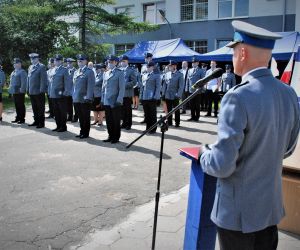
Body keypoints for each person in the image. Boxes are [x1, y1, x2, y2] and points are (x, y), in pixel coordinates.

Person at [199, 20, 300, 250]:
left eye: (233, 50)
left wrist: (205, 154)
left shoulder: (237, 97)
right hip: (270, 210)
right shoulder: (288, 93)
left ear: (242, 52)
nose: (233, 56)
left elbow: (222, 166)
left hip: (238, 216)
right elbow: (288, 148)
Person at [102, 55, 125, 143]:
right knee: (109, 120)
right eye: (108, 62)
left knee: (116, 120)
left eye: (111, 62)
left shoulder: (120, 73)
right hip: (107, 101)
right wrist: (102, 99)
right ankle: (110, 135)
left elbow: (121, 88)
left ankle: (116, 137)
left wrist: (119, 100)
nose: (109, 64)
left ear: (116, 62)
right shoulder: (106, 73)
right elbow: (103, 88)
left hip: (115, 101)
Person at [72, 54, 95, 139]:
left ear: (86, 61)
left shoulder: (89, 72)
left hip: (85, 99)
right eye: (78, 61)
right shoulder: (76, 71)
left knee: (85, 117)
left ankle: (86, 133)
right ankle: (81, 131)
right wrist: (73, 96)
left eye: (81, 60)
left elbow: (91, 86)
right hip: (77, 98)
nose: (79, 62)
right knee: (80, 117)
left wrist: (88, 97)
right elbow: (74, 86)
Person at [49, 54, 69, 132]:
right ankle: (58, 126)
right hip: (53, 94)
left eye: (58, 60)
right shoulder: (53, 70)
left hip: (61, 94)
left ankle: (63, 126)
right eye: (55, 60)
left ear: (61, 61)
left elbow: (67, 83)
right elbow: (51, 82)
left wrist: (65, 92)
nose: (56, 62)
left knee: (62, 111)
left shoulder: (64, 70)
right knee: (56, 111)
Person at [27, 53, 47, 128]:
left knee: (40, 108)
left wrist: (41, 90)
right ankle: (36, 121)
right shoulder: (30, 67)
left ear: (38, 59)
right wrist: (27, 89)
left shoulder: (41, 67)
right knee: (34, 107)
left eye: (34, 58)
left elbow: (43, 79)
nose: (32, 60)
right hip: (32, 91)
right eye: (31, 59)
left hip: (39, 91)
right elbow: (28, 79)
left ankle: (41, 123)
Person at [140, 61, 161, 133]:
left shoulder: (156, 75)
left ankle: (153, 129)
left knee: (152, 114)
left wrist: (156, 96)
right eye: (147, 67)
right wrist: (141, 96)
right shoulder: (144, 75)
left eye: (149, 67)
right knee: (147, 114)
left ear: (152, 67)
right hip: (145, 97)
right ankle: (147, 128)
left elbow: (158, 87)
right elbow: (142, 87)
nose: (148, 68)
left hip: (152, 98)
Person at [161, 60, 184, 127]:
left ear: (174, 66)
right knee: (169, 109)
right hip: (168, 95)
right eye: (169, 66)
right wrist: (163, 94)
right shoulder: (167, 74)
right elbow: (164, 85)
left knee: (176, 110)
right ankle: (170, 122)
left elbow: (181, 86)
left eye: (170, 66)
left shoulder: (180, 74)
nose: (169, 67)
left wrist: (178, 95)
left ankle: (177, 122)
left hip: (175, 95)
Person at [119, 55, 136, 130]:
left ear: (127, 61)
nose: (122, 63)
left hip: (127, 93)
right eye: (121, 61)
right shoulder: (119, 70)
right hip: (120, 94)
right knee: (122, 110)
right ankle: (124, 123)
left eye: (124, 61)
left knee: (128, 110)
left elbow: (134, 82)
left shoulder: (131, 70)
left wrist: (124, 85)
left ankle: (129, 124)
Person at [9, 58, 27, 124]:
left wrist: (22, 90)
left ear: (19, 64)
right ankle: (18, 117)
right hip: (14, 91)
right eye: (14, 63)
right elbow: (11, 82)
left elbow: (24, 82)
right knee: (16, 105)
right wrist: (10, 90)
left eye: (16, 63)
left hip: (20, 91)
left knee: (21, 105)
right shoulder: (13, 72)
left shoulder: (22, 72)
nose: (15, 64)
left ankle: (22, 119)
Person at [65, 58, 76, 122]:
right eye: (68, 63)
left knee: (74, 105)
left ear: (73, 63)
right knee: (67, 105)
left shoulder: (75, 70)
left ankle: (75, 117)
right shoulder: (65, 70)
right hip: (67, 91)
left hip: (73, 91)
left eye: (70, 63)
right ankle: (69, 116)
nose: (69, 64)